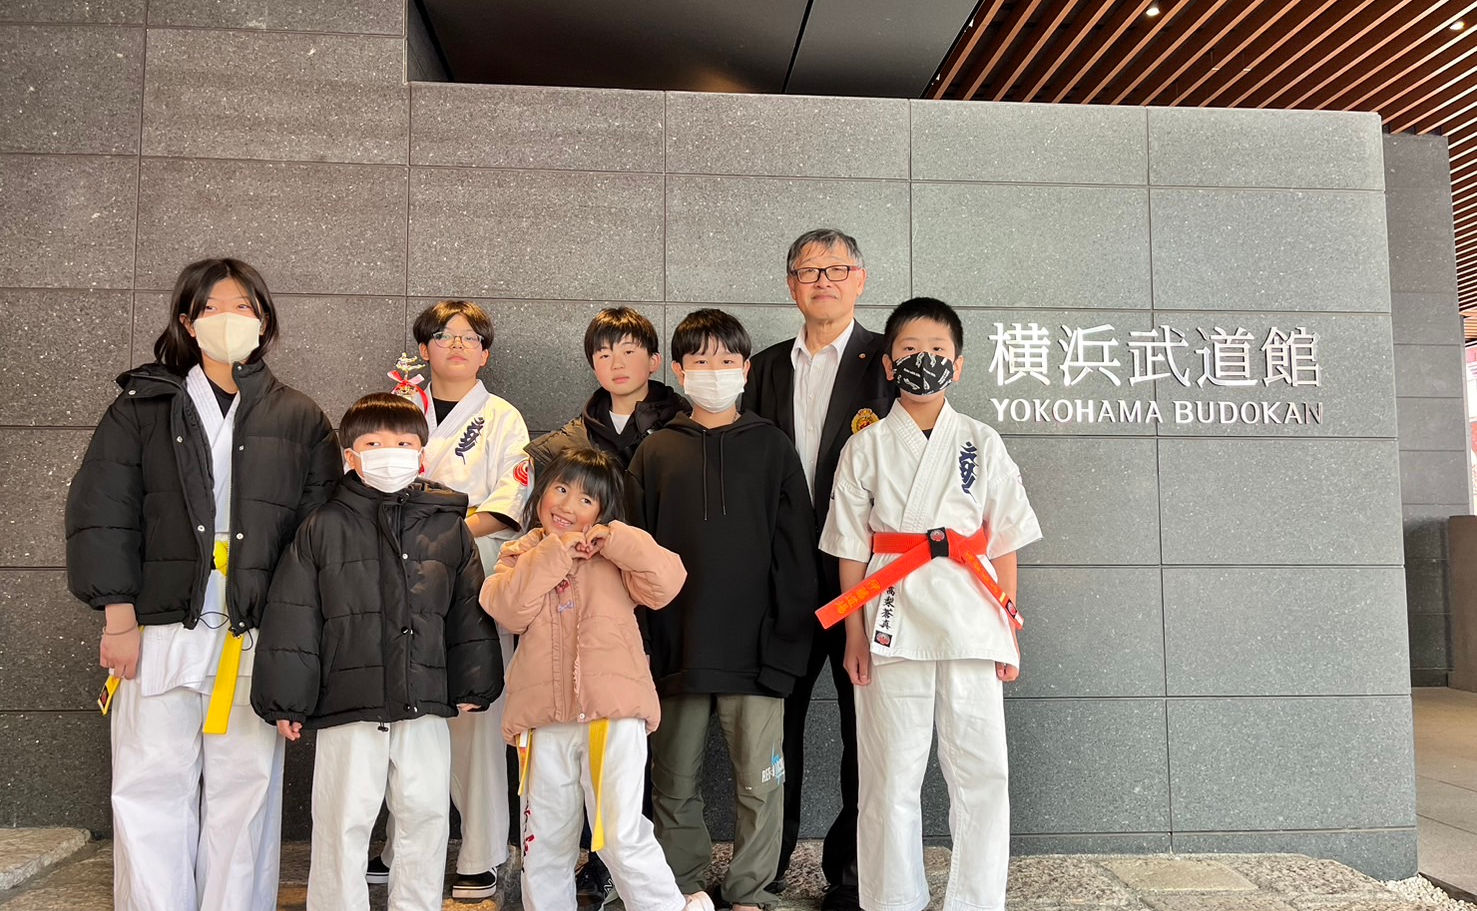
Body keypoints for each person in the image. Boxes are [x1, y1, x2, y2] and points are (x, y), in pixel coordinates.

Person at [64, 257, 342, 911]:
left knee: (244, 796)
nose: (229, 319)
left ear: (264, 320)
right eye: (212, 308)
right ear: (187, 322)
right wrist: (118, 618)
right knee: (149, 787)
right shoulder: (143, 406)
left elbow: (316, 538)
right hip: (158, 625)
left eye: (244, 307)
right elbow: (102, 512)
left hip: (255, 632)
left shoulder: (299, 417)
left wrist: (296, 642)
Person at [819, 297, 1042, 911]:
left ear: (959, 365)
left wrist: (1008, 628)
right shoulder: (865, 446)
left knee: (983, 771)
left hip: (973, 617)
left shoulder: (981, 440)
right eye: (911, 351)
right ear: (889, 364)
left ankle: (978, 901)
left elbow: (1004, 540)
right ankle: (894, 899)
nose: (925, 361)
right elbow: (849, 548)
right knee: (890, 772)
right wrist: (854, 635)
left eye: (938, 351)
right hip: (892, 615)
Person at [253, 392, 504, 911]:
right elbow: (294, 615)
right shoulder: (323, 525)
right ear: (351, 455)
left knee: (426, 817)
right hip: (350, 700)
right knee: (342, 819)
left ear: (422, 453)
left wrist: (474, 681)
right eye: (373, 443)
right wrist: (286, 699)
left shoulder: (447, 527)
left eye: (404, 442)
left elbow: (467, 612)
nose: (390, 452)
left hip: (424, 698)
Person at [628, 309, 817, 911]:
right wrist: (644, 645)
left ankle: (749, 890)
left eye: (727, 360)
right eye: (701, 361)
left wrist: (788, 643)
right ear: (679, 371)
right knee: (672, 783)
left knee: (762, 784)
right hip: (675, 651)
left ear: (746, 369)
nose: (715, 371)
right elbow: (633, 556)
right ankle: (681, 886)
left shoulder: (772, 447)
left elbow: (796, 556)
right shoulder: (655, 452)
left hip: (758, 653)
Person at [481, 447, 713, 911]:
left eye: (586, 500)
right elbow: (507, 609)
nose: (568, 506)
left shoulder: (616, 556)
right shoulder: (519, 554)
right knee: (543, 842)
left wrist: (616, 539)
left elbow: (668, 581)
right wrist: (554, 553)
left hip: (613, 713)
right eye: (561, 489)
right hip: (544, 721)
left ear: (603, 511)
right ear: (542, 493)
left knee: (619, 833)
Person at [741, 228, 894, 910]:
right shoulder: (762, 369)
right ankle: (764, 865)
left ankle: (853, 874)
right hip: (780, 579)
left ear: (860, 279)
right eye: (809, 271)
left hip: (863, 577)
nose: (823, 280)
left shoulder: (886, 363)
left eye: (837, 269)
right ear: (790, 285)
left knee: (866, 729)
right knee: (776, 731)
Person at [524, 306, 688, 907]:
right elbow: (508, 598)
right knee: (556, 807)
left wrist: (618, 541)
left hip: (649, 601)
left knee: (636, 760)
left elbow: (667, 576)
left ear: (655, 359)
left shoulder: (686, 428)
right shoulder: (566, 442)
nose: (616, 363)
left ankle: (650, 876)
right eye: (603, 353)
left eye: (628, 350)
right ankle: (595, 872)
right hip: (571, 622)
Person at [372, 299, 531, 900]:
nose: (457, 345)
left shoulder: (502, 417)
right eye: (444, 335)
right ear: (424, 349)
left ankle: (482, 851)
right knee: (404, 711)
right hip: (399, 576)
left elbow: (509, 501)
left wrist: (439, 535)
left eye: (469, 338)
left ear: (484, 354)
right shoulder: (395, 409)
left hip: (472, 576)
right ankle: (400, 846)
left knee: (476, 715)